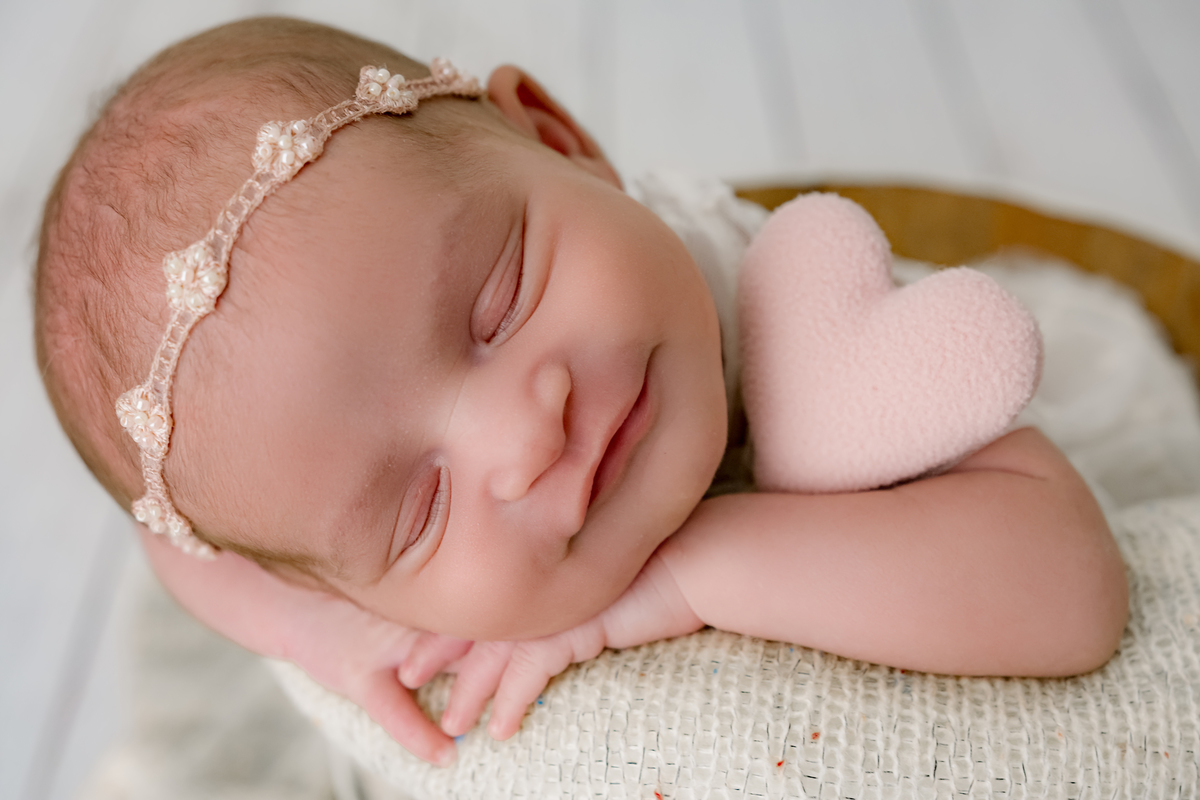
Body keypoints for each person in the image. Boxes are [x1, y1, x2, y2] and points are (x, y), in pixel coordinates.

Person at [34, 17, 1128, 769]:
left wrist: (695, 568)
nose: (524, 437)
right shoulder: (301, 494)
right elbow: (183, 541)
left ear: (561, 140)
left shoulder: (775, 322)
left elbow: (1074, 587)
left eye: (499, 302)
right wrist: (318, 632)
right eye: (417, 507)